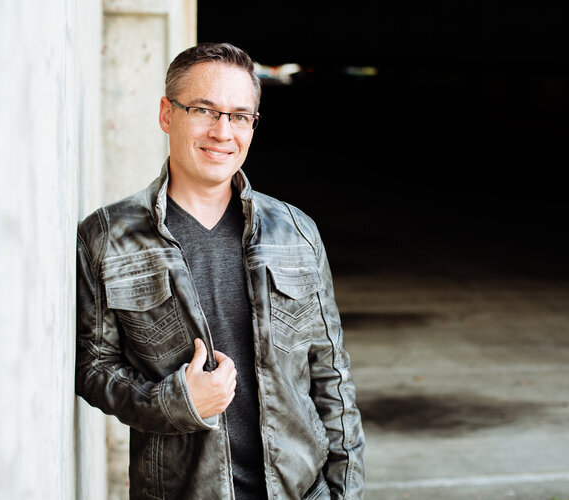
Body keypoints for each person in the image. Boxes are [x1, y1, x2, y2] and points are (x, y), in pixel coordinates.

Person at [75, 42, 365, 499]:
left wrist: (344, 490)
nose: (222, 131)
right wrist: (177, 402)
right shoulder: (107, 237)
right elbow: (93, 368)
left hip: (301, 491)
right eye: (204, 111)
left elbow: (331, 376)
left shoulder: (295, 232)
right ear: (167, 114)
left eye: (239, 115)